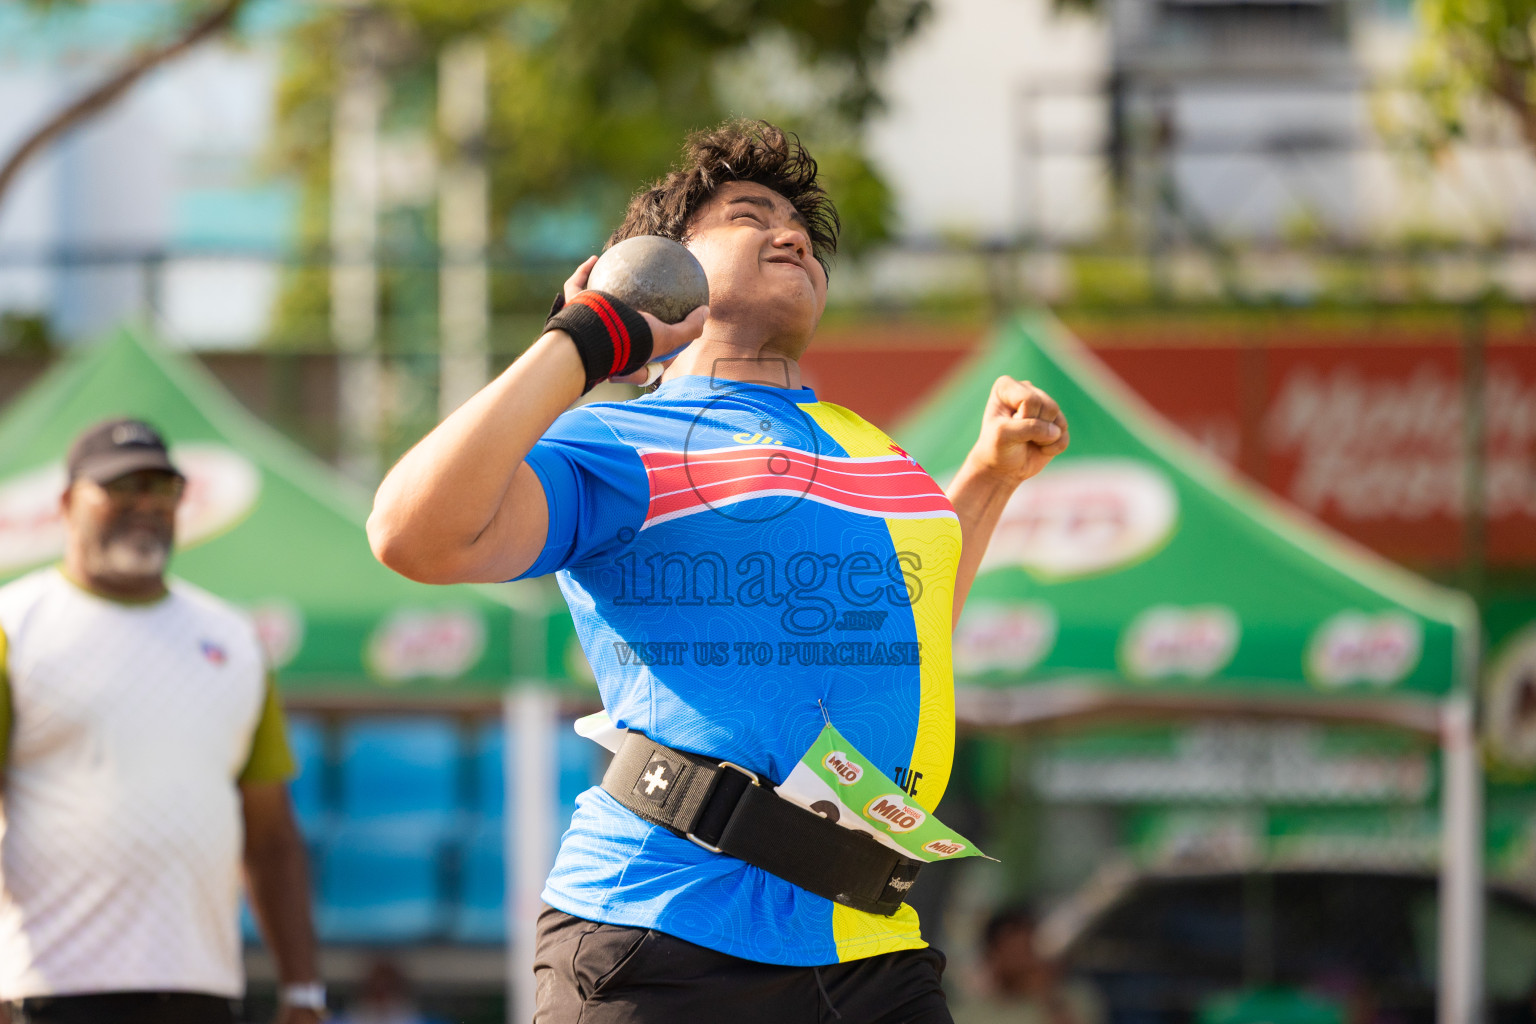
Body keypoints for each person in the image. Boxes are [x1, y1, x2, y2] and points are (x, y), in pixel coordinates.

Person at [369, 120, 1069, 1023]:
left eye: (804, 231)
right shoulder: (618, 440)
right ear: (667, 264)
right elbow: (411, 535)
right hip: (658, 931)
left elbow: (910, 630)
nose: (793, 237)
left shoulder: (875, 450)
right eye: (751, 215)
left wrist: (988, 479)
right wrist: (585, 337)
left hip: (869, 943)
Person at [0, 419, 325, 1024]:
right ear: (67, 503)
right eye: (122, 487)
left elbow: (271, 835)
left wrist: (303, 990)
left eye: (162, 487)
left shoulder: (232, 639)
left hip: (200, 992)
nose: (146, 504)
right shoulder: (14, 626)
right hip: (45, 991)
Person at [949, 907, 1104, 1024]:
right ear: (993, 957)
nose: (1025, 962)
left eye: (1028, 949)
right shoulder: (970, 1015)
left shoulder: (1076, 998)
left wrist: (1048, 998)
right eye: (1014, 953)